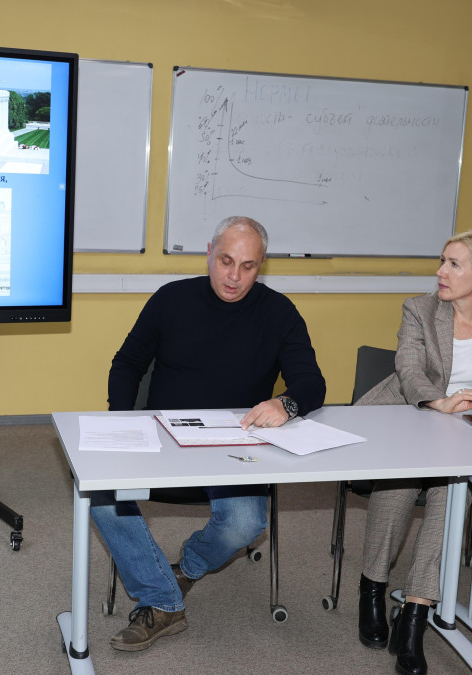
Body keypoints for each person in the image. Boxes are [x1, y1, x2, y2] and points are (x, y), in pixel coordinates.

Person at [94, 215, 326, 652]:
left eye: (248, 266)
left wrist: (287, 404)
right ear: (209, 252)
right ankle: (162, 599)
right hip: (164, 436)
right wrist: (121, 422)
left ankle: (186, 568)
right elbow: (127, 364)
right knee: (100, 494)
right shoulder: (171, 299)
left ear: (261, 266)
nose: (234, 276)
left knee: (245, 522)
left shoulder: (279, 312)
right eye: (225, 261)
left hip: (235, 444)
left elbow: (311, 383)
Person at [356, 230, 472, 675]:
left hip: (464, 433)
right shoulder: (420, 309)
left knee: (451, 494)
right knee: (398, 485)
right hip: (407, 417)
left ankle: (414, 614)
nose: (440, 272)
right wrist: (440, 401)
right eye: (442, 261)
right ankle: (372, 586)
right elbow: (409, 369)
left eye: (453, 264)